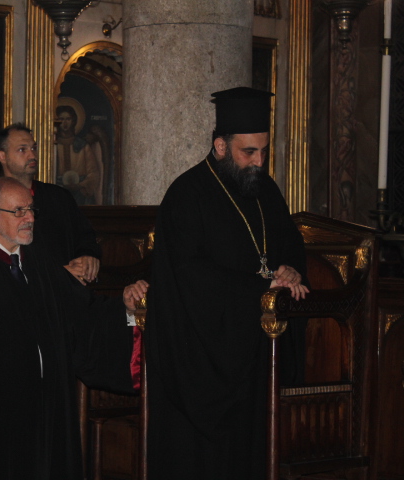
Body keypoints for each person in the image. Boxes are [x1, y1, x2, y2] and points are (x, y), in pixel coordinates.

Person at [0, 177, 148, 479]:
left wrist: (124, 308)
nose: (30, 218)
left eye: (31, 210)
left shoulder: (42, 264)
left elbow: (84, 314)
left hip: (47, 415)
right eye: (19, 211)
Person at [145, 87, 309, 480]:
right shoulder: (187, 195)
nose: (258, 162)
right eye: (248, 152)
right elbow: (189, 275)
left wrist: (290, 270)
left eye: (263, 151)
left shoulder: (266, 190)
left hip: (255, 349)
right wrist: (260, 288)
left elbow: (289, 244)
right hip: (201, 354)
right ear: (220, 146)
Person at [0, 123, 101, 285]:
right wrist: (59, 273)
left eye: (34, 148)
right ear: (2, 156)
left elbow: (84, 236)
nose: (32, 155)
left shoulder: (59, 197)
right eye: (22, 150)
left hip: (65, 292)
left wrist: (88, 255)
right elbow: (3, 260)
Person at [55, 104, 103, 205]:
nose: (65, 123)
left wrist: (80, 185)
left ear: (73, 121)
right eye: (61, 119)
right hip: (57, 191)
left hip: (80, 194)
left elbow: (93, 173)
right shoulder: (53, 146)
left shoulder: (82, 145)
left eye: (68, 119)